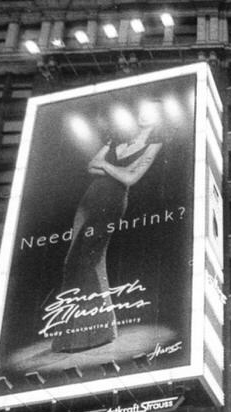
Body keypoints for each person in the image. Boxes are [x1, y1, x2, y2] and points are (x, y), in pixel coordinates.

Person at [48, 110, 163, 352]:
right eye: (142, 110)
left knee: (91, 260)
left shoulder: (154, 145)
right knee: (71, 261)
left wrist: (107, 166)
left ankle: (100, 333)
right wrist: (117, 170)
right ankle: (68, 337)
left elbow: (131, 179)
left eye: (151, 110)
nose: (144, 114)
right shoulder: (117, 141)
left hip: (112, 202)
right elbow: (92, 166)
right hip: (88, 200)